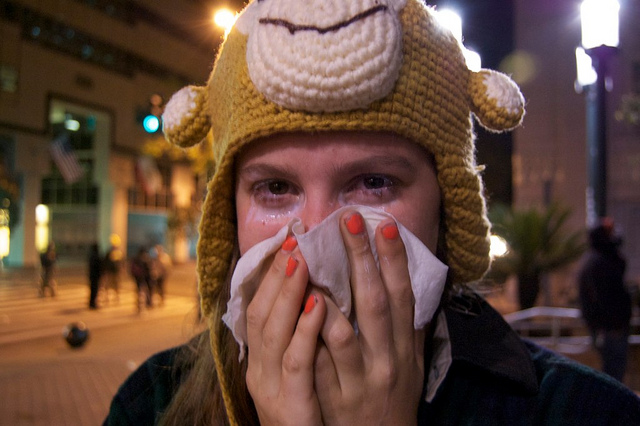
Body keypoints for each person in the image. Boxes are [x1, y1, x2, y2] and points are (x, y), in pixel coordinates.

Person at [105, 1, 640, 424]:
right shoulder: (149, 406)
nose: (315, 232)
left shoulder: (581, 412)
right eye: (274, 187)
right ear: (229, 214)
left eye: (375, 183)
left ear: (446, 211)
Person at [578, 218, 632, 382]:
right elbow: (602, 299)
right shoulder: (599, 263)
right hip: (610, 330)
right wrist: (611, 325)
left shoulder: (601, 260)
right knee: (612, 376)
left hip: (611, 328)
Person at [102, 234, 123, 304]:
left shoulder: (119, 253)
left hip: (115, 272)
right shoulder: (109, 252)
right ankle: (107, 297)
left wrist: (121, 270)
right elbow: (105, 262)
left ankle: (116, 297)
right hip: (109, 271)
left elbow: (121, 263)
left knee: (116, 285)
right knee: (108, 285)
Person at [130, 247, 153, 312]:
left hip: (138, 277)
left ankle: (139, 304)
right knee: (147, 290)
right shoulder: (146, 259)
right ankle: (148, 302)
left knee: (139, 291)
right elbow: (149, 269)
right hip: (145, 277)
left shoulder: (135, 259)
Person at [88, 243, 102, 309]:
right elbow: (98, 266)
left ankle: (91, 303)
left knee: (92, 290)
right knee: (94, 291)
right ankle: (92, 304)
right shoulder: (96, 256)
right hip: (95, 276)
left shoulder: (91, 256)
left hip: (92, 276)